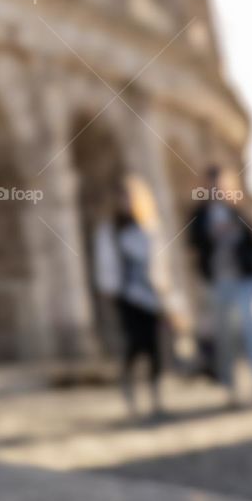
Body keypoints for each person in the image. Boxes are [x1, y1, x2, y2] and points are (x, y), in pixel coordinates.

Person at [189, 165, 252, 405]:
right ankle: (231, 391)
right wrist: (213, 237)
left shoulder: (238, 211)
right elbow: (194, 246)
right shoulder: (200, 215)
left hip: (244, 279)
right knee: (226, 337)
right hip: (218, 281)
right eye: (213, 185)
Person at [94, 174, 170, 419]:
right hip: (126, 295)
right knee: (134, 346)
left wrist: (166, 291)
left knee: (155, 348)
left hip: (152, 295)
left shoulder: (149, 227)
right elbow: (105, 262)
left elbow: (161, 262)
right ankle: (131, 397)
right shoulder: (111, 229)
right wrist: (109, 288)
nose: (126, 202)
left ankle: (156, 398)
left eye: (129, 197)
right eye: (122, 198)